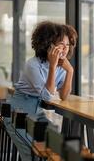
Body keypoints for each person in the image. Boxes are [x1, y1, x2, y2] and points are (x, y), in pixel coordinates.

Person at [7, 21, 77, 160]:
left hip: (36, 113)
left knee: (56, 145)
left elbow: (63, 95)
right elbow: (47, 97)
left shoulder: (61, 67)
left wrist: (70, 71)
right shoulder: (32, 65)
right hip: (18, 114)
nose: (65, 49)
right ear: (48, 44)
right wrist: (52, 66)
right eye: (61, 44)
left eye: (67, 45)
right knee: (32, 154)